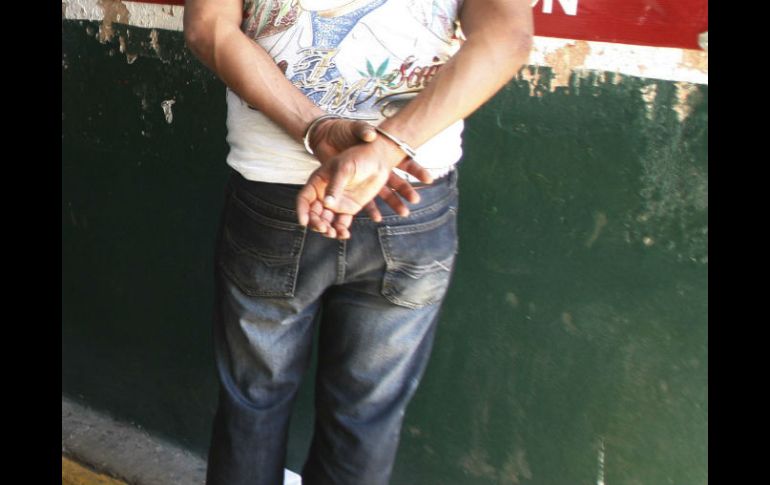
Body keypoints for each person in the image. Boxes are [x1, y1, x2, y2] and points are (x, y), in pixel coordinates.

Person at [183, 0, 533, 483]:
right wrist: (385, 151)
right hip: (407, 195)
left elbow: (208, 28)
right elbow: (507, 36)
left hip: (275, 195)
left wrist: (317, 130)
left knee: (253, 400)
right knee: (364, 416)